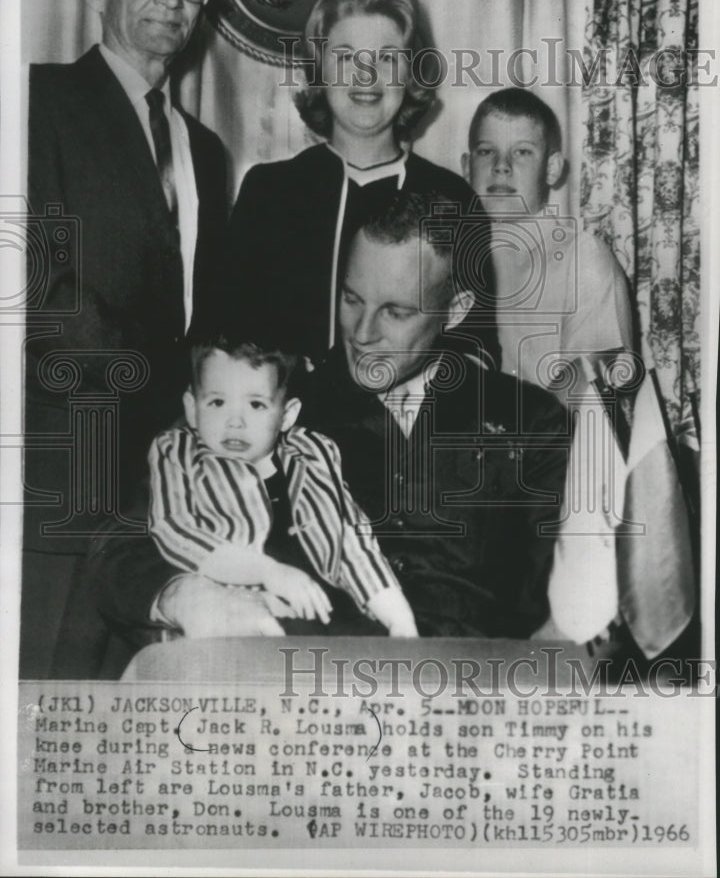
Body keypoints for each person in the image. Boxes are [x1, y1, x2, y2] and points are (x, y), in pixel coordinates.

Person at [91, 190, 569, 647]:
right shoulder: (272, 400)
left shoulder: (531, 422)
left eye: (395, 312)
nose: (362, 332)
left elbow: (564, 599)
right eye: (351, 299)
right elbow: (120, 546)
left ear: (456, 310)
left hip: (468, 684)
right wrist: (187, 596)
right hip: (308, 677)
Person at [24, 0, 229, 677]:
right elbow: (39, 292)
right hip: (63, 482)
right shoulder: (35, 102)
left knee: (132, 712)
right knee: (42, 711)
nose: (171, 0)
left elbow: (207, 320)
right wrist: (165, 398)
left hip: (165, 500)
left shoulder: (205, 151)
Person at [226, 0, 496, 364]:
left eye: (387, 58)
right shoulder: (269, 191)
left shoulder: (453, 199)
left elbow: (477, 347)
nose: (365, 75)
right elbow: (229, 335)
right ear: (319, 72)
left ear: (410, 73)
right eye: (346, 57)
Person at [148, 334, 417, 636]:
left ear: (287, 415)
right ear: (192, 407)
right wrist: (267, 572)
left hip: (330, 622)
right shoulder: (179, 453)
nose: (235, 421)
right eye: (217, 402)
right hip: (239, 624)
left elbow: (351, 541)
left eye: (256, 404)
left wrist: (399, 619)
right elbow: (176, 529)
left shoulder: (313, 452)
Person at [461, 87, 633, 395]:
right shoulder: (449, 257)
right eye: (486, 151)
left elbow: (583, 393)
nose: (501, 166)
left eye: (522, 152)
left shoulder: (582, 258)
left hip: (552, 425)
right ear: (466, 166)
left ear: (552, 169)